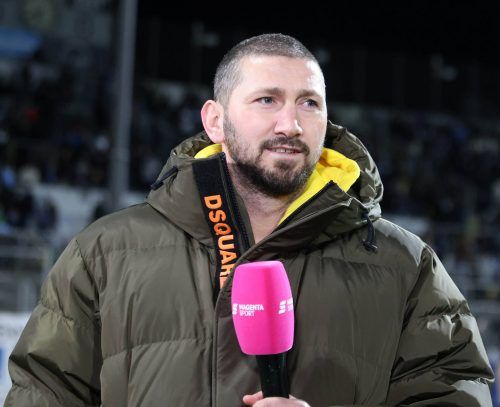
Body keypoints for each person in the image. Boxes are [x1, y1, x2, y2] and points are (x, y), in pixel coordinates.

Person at [5, 34, 494, 407]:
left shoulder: (405, 265)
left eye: (309, 103)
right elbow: (43, 392)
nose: (291, 124)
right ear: (215, 120)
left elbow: (456, 394)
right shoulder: (104, 253)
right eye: (267, 100)